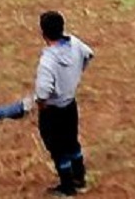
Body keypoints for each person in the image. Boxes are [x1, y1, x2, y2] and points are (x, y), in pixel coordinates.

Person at [34, 11, 94, 197]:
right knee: (72, 142)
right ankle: (80, 179)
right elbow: (89, 54)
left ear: (43, 34)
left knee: (57, 149)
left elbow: (43, 92)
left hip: (53, 111)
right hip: (70, 105)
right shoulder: (75, 43)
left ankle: (67, 187)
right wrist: (75, 75)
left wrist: (41, 105)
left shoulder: (48, 62)